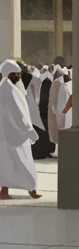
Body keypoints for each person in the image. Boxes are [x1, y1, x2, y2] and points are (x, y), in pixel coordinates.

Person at [0, 60, 40, 200]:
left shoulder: (6, 87)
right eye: (16, 74)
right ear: (10, 74)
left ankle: (4, 191)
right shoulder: (9, 90)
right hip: (13, 134)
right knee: (21, 161)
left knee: (7, 162)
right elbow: (16, 114)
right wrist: (29, 131)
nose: (18, 77)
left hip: (7, 134)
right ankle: (31, 188)